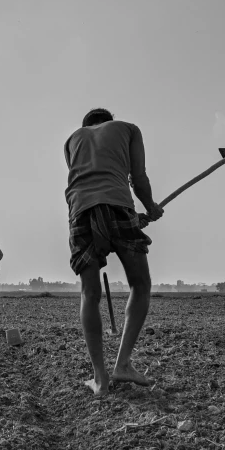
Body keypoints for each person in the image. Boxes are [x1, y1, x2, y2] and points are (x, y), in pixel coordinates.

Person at [64, 108, 164, 396]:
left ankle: (100, 379)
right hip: (118, 204)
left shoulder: (71, 140)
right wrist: (151, 207)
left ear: (87, 127)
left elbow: (85, 181)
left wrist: (134, 215)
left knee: (89, 294)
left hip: (80, 211)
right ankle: (122, 364)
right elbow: (138, 177)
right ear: (108, 121)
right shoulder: (128, 129)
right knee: (140, 283)